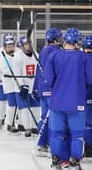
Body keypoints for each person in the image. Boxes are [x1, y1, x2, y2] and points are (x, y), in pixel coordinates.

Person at [44, 27, 92, 170]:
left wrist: (58, 88)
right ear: (77, 41)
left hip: (57, 102)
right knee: (77, 134)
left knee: (57, 134)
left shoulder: (53, 56)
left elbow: (48, 79)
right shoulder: (83, 57)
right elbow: (90, 78)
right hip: (77, 101)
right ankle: (74, 162)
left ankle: (56, 160)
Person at [34, 27, 62, 156]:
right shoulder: (58, 51)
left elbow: (38, 70)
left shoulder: (43, 51)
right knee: (52, 118)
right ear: (56, 39)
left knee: (44, 116)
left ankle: (41, 143)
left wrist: (36, 87)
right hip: (52, 88)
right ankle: (51, 143)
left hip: (42, 87)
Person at [13, 36, 40, 137]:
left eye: (29, 44)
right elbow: (17, 73)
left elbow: (39, 71)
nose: (28, 46)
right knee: (24, 108)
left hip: (33, 86)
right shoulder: (18, 57)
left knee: (36, 107)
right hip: (21, 87)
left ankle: (35, 126)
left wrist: (37, 85)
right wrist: (22, 85)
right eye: (25, 44)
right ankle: (26, 127)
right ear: (22, 46)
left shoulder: (36, 55)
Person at [0, 37, 19, 133]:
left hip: (17, 84)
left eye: (12, 46)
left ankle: (13, 123)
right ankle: (8, 123)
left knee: (16, 105)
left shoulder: (17, 55)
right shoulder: (2, 58)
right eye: (8, 46)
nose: (10, 48)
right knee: (11, 104)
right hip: (8, 84)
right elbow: (4, 71)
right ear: (5, 47)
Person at [0, 33, 15, 129]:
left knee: (13, 103)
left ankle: (12, 121)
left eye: (11, 43)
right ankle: (1, 119)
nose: (10, 46)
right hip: (1, 82)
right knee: (2, 102)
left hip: (14, 82)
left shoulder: (17, 51)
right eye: (8, 44)